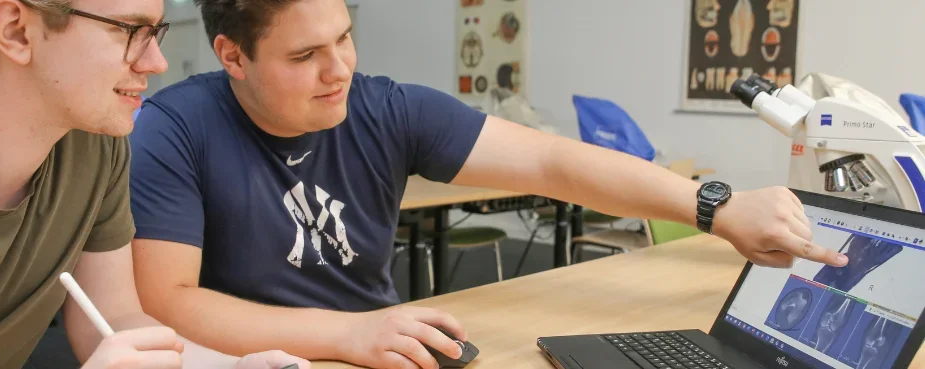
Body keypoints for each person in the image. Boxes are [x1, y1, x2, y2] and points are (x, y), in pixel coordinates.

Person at [128, 0, 849, 368]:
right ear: (231, 55)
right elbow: (171, 302)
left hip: (387, 346)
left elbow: (550, 162)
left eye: (345, 36)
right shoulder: (173, 128)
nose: (339, 68)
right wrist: (347, 332)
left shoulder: (385, 107)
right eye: (306, 54)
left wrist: (714, 207)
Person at [0, 0, 309, 368]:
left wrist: (233, 367)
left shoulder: (95, 146)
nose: (156, 63)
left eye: (155, 33)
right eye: (129, 30)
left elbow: (112, 320)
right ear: (15, 30)